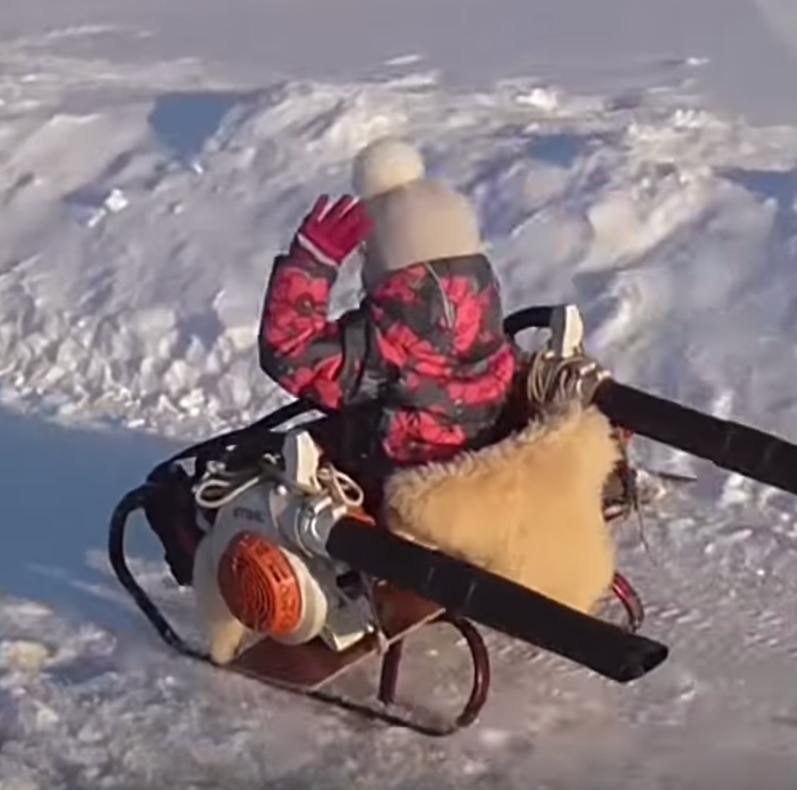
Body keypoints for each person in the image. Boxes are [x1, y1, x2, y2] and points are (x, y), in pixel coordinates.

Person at [257, 137, 625, 616]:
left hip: (404, 483)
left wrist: (311, 263)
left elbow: (290, 353)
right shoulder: (483, 309)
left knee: (296, 450)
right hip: (477, 461)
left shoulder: (387, 337)